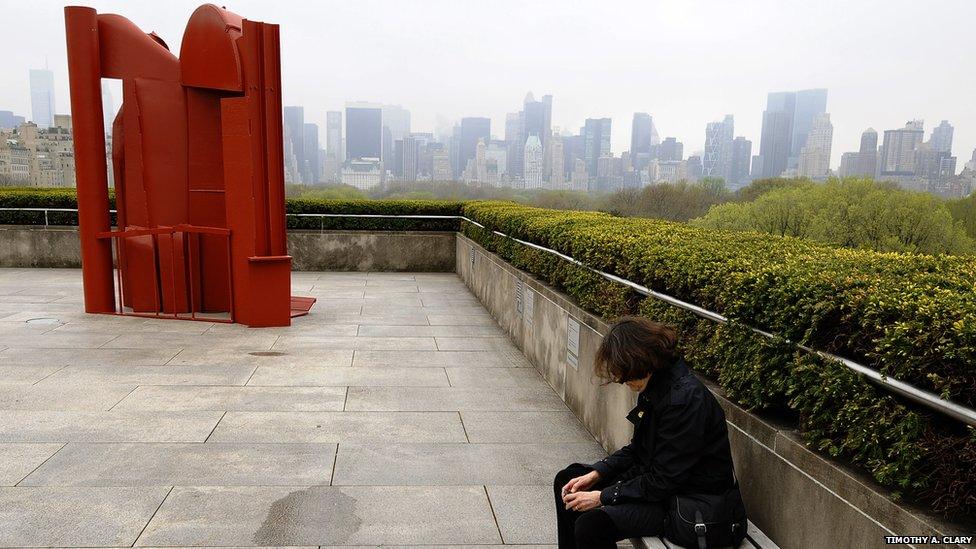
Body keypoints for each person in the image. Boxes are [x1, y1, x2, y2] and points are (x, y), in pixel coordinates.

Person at [553, 316, 736, 548]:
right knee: (568, 481)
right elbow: (638, 450)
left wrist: (602, 496)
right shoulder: (658, 385)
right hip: (662, 487)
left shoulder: (684, 401)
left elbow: (663, 481)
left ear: (639, 360)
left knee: (591, 525)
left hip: (686, 502)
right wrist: (598, 473)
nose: (620, 379)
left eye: (623, 371)